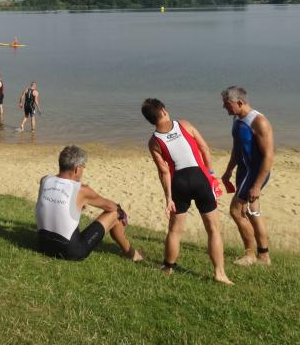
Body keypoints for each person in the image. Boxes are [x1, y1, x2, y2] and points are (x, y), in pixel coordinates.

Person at [141, 98, 233, 285]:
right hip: (200, 179)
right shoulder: (184, 124)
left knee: (174, 231)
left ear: (150, 120)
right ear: (164, 111)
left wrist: (168, 198)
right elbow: (204, 148)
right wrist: (210, 175)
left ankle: (168, 267)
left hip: (179, 184)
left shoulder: (154, 142)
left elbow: (164, 171)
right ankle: (219, 273)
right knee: (213, 229)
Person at [36, 145, 142, 262]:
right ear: (77, 169)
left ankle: (130, 253)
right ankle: (131, 254)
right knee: (116, 213)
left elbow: (54, 203)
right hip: (70, 252)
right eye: (83, 167)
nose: (83, 171)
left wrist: (77, 204)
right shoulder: (81, 190)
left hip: (42, 245)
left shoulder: (45, 180)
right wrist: (122, 213)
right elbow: (111, 207)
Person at [220, 86, 275, 266]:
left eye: (227, 104)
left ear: (239, 102)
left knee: (236, 211)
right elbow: (237, 148)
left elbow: (268, 156)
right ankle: (264, 256)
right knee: (252, 212)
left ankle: (250, 255)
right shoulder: (237, 119)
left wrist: (257, 185)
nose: (224, 107)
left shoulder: (259, 122)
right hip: (243, 170)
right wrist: (229, 170)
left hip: (255, 172)